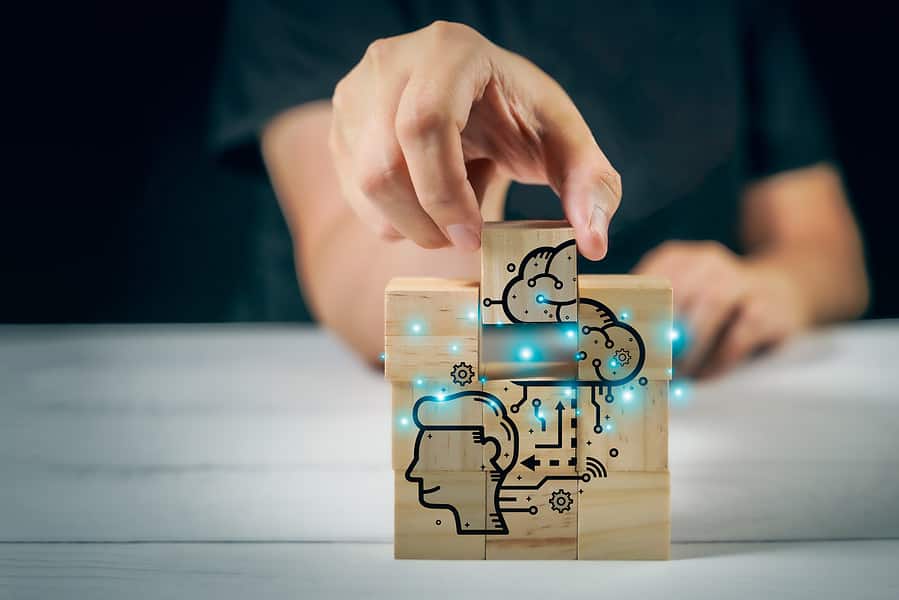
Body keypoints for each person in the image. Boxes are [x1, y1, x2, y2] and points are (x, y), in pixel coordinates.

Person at [211, 1, 868, 378]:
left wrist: (772, 289)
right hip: (330, 413)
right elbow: (360, 289)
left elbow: (828, 252)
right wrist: (452, 188)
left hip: (698, 387)